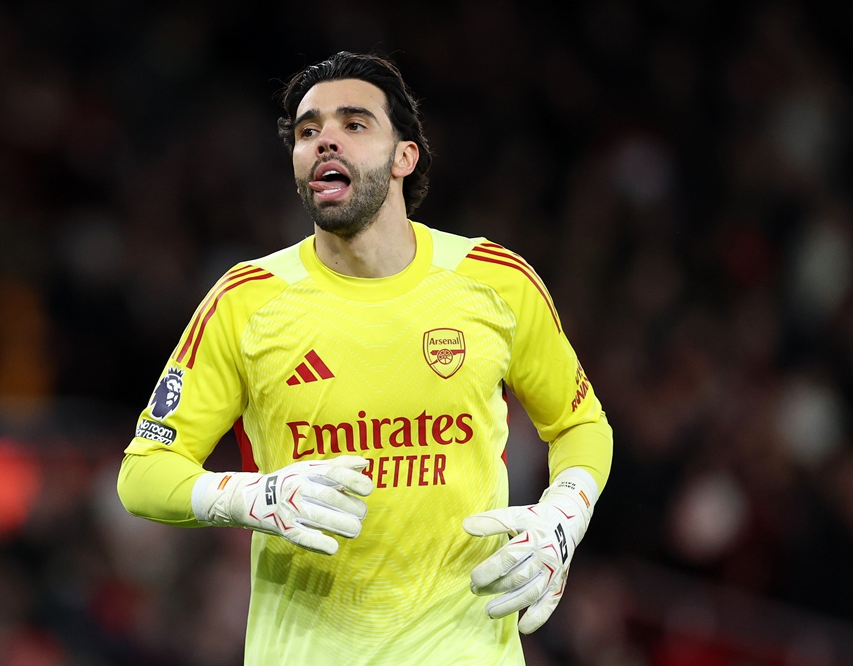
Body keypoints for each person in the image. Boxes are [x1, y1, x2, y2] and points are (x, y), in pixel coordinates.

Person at [117, 51, 613, 665]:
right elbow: (143, 474)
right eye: (307, 130)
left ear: (405, 156)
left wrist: (564, 514)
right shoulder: (247, 303)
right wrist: (252, 498)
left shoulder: (495, 283)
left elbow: (580, 423)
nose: (325, 139)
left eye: (354, 124)